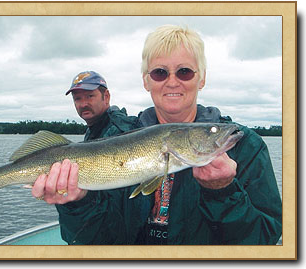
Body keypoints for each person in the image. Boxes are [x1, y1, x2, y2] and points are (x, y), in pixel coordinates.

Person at [32, 25, 282, 245]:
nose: (172, 82)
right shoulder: (113, 137)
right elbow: (97, 241)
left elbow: (263, 239)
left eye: (184, 71)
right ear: (146, 81)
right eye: (160, 73)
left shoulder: (247, 146)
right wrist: (77, 203)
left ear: (202, 78)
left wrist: (224, 192)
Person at [32, 70, 139, 204]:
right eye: (78, 98)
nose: (83, 104)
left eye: (90, 96)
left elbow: (116, 203)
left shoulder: (120, 130)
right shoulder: (95, 130)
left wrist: (80, 201)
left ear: (106, 97)